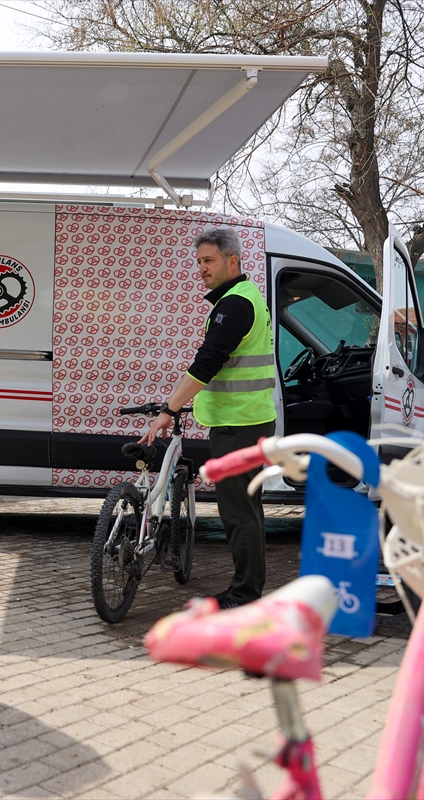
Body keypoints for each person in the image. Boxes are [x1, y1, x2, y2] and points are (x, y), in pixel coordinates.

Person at [141, 227, 276, 608]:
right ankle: (248, 588)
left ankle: (245, 595)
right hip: (246, 421)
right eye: (198, 261)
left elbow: (207, 364)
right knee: (246, 510)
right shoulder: (244, 298)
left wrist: (168, 410)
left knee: (239, 513)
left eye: (209, 261)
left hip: (241, 425)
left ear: (232, 261)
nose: (201, 268)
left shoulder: (236, 304)